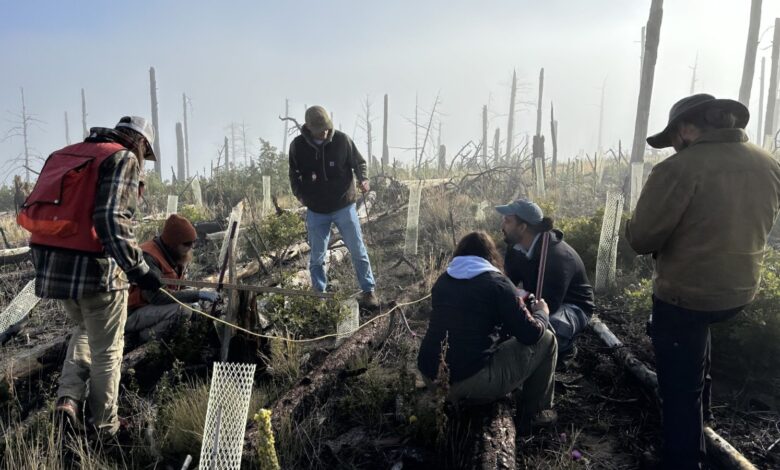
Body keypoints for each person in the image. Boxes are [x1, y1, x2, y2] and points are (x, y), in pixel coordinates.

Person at [626, 93, 780, 469]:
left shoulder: (680, 169)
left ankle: (682, 460)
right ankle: (703, 422)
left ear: (686, 128)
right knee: (697, 343)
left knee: (679, 389)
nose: (674, 146)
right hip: (741, 290)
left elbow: (642, 238)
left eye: (674, 137)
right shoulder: (769, 163)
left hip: (686, 294)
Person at [19, 116, 163, 435]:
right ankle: (104, 427)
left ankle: (67, 400)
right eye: (145, 154)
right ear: (140, 143)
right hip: (96, 273)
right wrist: (139, 269)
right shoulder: (122, 158)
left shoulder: (64, 154)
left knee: (85, 330)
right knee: (108, 351)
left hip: (54, 271)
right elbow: (111, 220)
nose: (143, 161)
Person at [417, 231, 557, 427]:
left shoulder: (443, 281)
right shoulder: (498, 284)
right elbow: (530, 334)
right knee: (548, 339)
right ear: (491, 256)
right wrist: (542, 313)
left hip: (430, 376)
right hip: (469, 382)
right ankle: (535, 413)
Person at [288, 105, 378, 309]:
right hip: (316, 211)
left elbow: (359, 163)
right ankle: (320, 297)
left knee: (357, 250)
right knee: (317, 257)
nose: (325, 131)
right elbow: (294, 174)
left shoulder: (342, 140)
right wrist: (300, 195)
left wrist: (363, 179)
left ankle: (369, 291)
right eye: (320, 128)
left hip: (344, 206)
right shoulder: (297, 147)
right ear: (309, 128)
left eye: (327, 126)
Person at [497, 199, 595, 367]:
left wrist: (521, 322)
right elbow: (507, 286)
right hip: (540, 299)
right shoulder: (516, 248)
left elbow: (550, 306)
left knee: (547, 333)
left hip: (572, 306)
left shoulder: (557, 257)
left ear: (523, 227)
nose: (502, 225)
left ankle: (565, 348)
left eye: (507, 220)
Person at [126, 214, 218, 342]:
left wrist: (195, 298)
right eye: (187, 244)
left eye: (193, 243)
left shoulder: (174, 254)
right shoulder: (148, 256)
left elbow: (178, 286)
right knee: (183, 311)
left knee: (195, 309)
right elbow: (157, 297)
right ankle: (142, 339)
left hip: (152, 310)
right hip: (134, 313)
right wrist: (196, 294)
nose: (191, 247)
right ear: (172, 243)